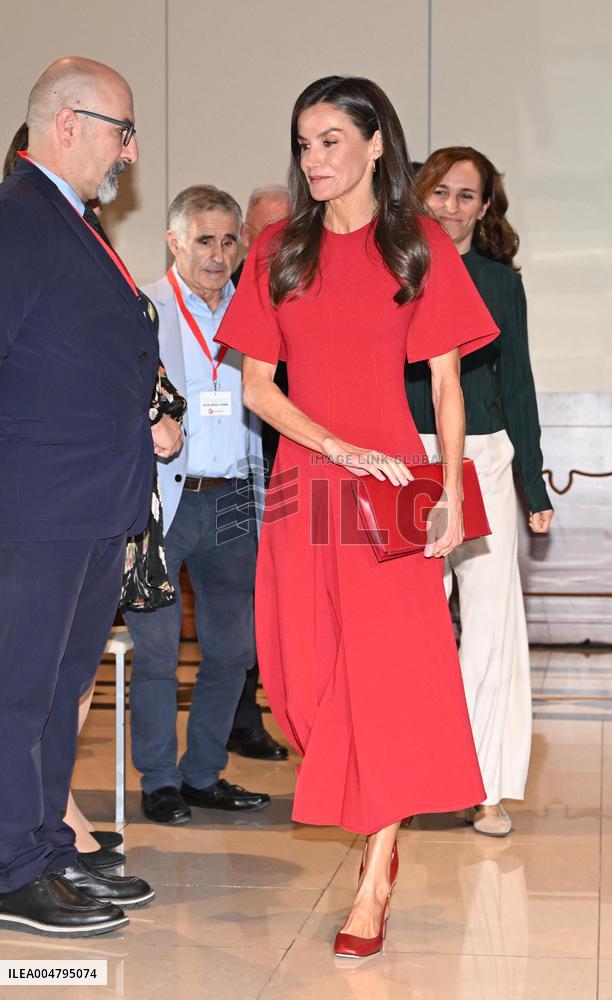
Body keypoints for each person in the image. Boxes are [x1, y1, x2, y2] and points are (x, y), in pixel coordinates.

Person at [216, 75, 498, 958]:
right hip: (309, 481)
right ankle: (367, 819)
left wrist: (447, 491)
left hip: (391, 491)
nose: (315, 159)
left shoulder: (416, 247)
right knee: (300, 681)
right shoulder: (277, 250)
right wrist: (334, 447)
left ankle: (376, 872)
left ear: (377, 145)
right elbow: (257, 386)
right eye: (304, 143)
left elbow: (448, 385)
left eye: (331, 140)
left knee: (387, 679)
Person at [0, 56, 182, 937]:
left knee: (60, 683)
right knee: (17, 689)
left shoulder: (73, 222)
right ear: (66, 125)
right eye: (121, 130)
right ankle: (8, 866)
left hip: (86, 505)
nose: (130, 149)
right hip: (34, 508)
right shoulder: (18, 221)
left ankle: (43, 847)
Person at [407, 147, 554, 837]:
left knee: (493, 625)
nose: (451, 207)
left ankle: (487, 788)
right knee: (410, 623)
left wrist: (534, 483)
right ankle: (406, 778)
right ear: (420, 195)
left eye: (467, 196)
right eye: (440, 192)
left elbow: (517, 383)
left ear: (485, 208)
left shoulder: (500, 283)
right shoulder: (394, 271)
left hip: (488, 459)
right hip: (412, 463)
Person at [123, 185, 270, 826]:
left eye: (228, 240)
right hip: (162, 503)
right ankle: (159, 779)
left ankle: (204, 772)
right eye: (203, 240)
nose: (217, 254)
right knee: (155, 653)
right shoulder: (141, 310)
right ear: (174, 240)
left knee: (233, 650)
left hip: (236, 496)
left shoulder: (258, 311)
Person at [227, 185, 291, 762]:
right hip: (240, 474)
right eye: (264, 229)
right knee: (244, 594)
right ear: (250, 234)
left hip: (294, 469)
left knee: (285, 595)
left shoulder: (300, 283)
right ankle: (242, 719)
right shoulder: (231, 293)